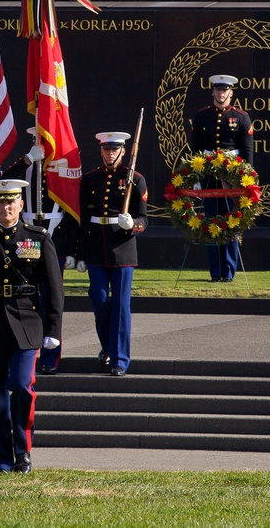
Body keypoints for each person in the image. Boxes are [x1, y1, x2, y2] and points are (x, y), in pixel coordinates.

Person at [0, 179, 63, 473]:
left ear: (20, 204)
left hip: (27, 324)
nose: (6, 207)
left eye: (11, 201)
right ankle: (1, 461)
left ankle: (23, 451)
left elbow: (54, 288)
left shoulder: (38, 238)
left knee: (21, 386)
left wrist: (53, 330)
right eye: (0, 201)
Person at [1, 128, 78, 375]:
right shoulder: (28, 164)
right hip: (27, 240)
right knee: (28, 298)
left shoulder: (64, 168)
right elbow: (3, 181)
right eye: (38, 138)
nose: (42, 143)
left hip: (55, 238)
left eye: (45, 139)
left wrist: (74, 251)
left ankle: (50, 355)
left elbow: (74, 212)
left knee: (52, 298)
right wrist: (28, 159)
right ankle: (28, 351)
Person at [76, 132, 148, 377]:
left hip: (122, 248)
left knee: (120, 306)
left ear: (123, 151)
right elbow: (84, 219)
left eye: (114, 149)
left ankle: (120, 359)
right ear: (101, 151)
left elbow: (143, 219)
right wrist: (80, 253)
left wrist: (133, 224)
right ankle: (107, 346)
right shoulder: (89, 180)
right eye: (106, 149)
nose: (110, 153)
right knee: (98, 299)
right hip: (96, 246)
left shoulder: (135, 180)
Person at [190, 74, 254, 282]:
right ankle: (215, 271)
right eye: (218, 89)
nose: (221, 93)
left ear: (231, 92)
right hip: (209, 173)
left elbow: (247, 152)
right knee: (212, 222)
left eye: (225, 90)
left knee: (231, 221)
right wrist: (197, 177)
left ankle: (229, 271)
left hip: (232, 174)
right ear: (213, 92)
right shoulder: (201, 116)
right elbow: (196, 150)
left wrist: (245, 179)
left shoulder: (241, 117)